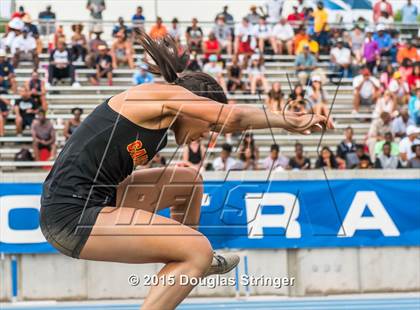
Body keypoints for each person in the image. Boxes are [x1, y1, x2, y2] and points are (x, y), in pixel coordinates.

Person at [39, 30, 330, 310]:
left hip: (91, 200)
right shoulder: (156, 96)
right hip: (70, 215)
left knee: (188, 182)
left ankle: (193, 259)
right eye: (210, 124)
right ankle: (196, 256)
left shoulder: (159, 127)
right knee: (197, 250)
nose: (208, 134)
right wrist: (290, 121)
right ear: (195, 106)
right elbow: (235, 118)